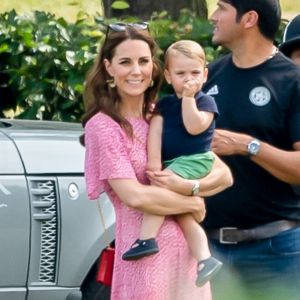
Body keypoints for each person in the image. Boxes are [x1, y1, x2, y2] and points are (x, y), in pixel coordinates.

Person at [82, 22, 232, 300]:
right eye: (125, 62)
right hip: (145, 260)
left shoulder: (164, 114)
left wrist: (193, 187)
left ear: (154, 68)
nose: (136, 70)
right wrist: (193, 202)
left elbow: (223, 173)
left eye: (143, 61)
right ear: (109, 67)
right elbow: (135, 196)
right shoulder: (103, 127)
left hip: (190, 260)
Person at [201, 1, 300, 300]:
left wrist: (248, 146)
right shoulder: (209, 76)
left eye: (221, 8)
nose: (213, 16)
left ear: (249, 19)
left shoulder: (292, 81)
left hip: (276, 251)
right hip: (211, 251)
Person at [122, 40, 222, 287]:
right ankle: (205, 259)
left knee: (159, 192)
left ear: (205, 74)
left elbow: (194, 125)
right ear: (168, 75)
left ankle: (146, 239)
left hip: (195, 161)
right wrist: (154, 161)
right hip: (172, 162)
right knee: (184, 215)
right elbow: (155, 131)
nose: (188, 79)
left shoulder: (205, 102)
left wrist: (189, 98)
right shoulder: (165, 105)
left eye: (195, 73)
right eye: (181, 73)